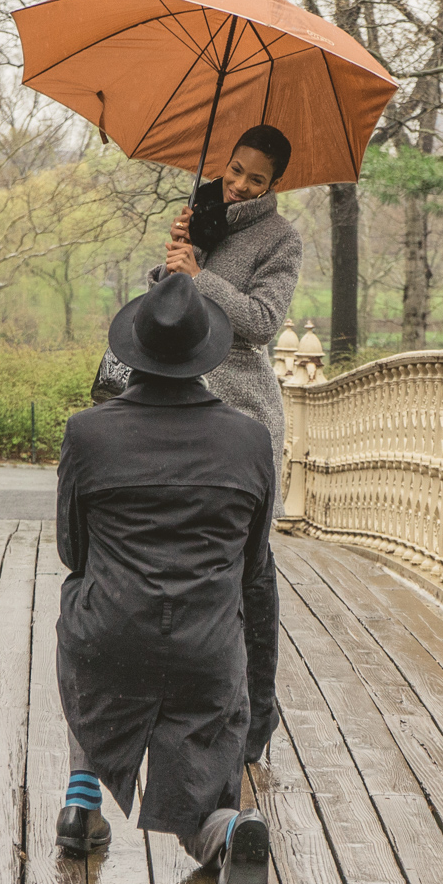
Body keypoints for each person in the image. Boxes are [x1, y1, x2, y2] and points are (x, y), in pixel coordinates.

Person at [53, 273, 275, 884]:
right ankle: (230, 831)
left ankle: (83, 797)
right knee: (202, 805)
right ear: (205, 354)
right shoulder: (249, 438)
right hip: (206, 651)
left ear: (135, 352)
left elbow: (74, 549)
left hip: (111, 639)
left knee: (81, 601)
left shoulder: (88, 433)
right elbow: (254, 565)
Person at [151, 123, 300, 764]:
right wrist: (172, 266)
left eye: (256, 178)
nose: (239, 184)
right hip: (180, 409)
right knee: (181, 565)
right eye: (235, 169)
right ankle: (184, 708)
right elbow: (167, 310)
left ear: (274, 185)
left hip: (242, 419)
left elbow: (263, 325)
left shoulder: (281, 240)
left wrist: (201, 278)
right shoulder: (200, 217)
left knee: (249, 574)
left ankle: (255, 724)